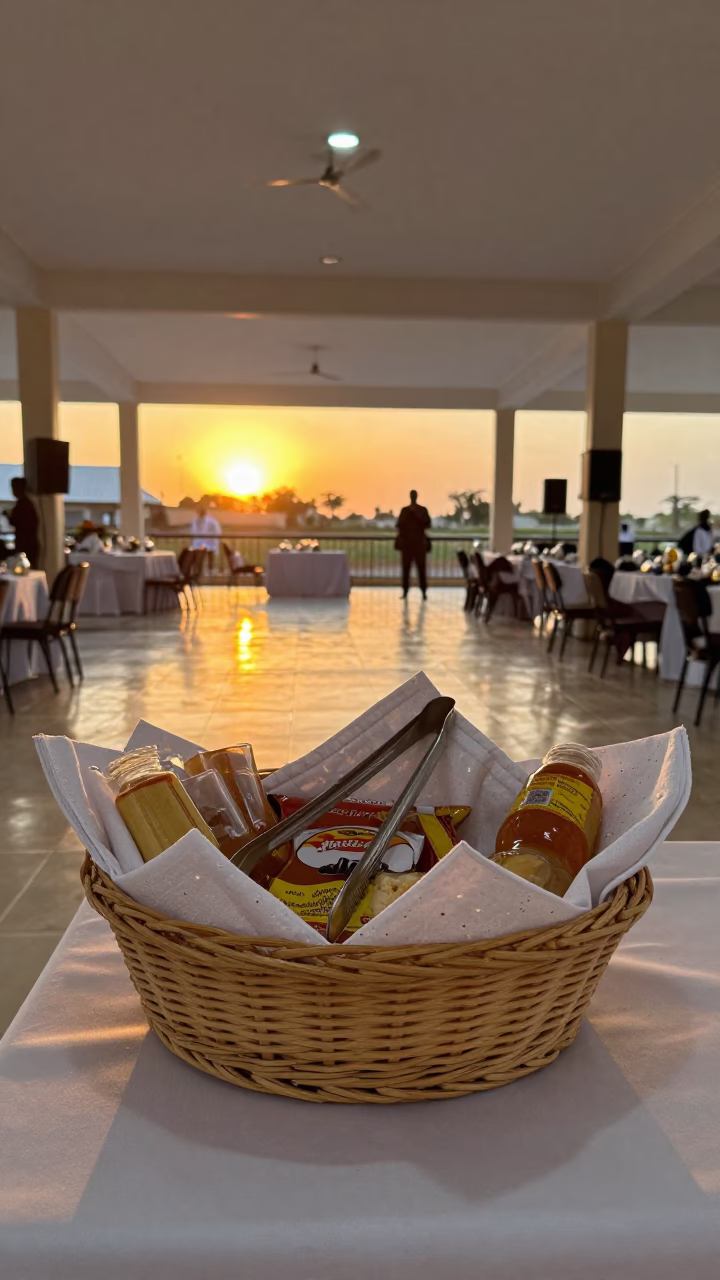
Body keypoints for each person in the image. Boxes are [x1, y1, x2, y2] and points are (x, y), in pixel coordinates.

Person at [395, 489, 431, 599]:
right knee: (406, 570)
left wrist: (417, 516)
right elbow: (399, 525)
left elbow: (428, 524)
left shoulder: (422, 510)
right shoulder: (405, 511)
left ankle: (424, 591)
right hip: (407, 546)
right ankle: (405, 591)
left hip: (419, 545)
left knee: (421, 569)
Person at [7, 476, 39, 568]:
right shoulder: (26, 503)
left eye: (14, 488)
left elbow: (17, 522)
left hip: (26, 545)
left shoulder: (23, 505)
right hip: (28, 544)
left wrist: (8, 516)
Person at [190, 504, 222, 571]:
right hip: (199, 543)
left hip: (209, 542)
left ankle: (209, 570)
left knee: (209, 557)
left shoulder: (211, 521)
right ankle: (199, 571)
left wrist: (213, 539)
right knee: (199, 558)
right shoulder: (195, 520)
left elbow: (217, 531)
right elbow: (194, 532)